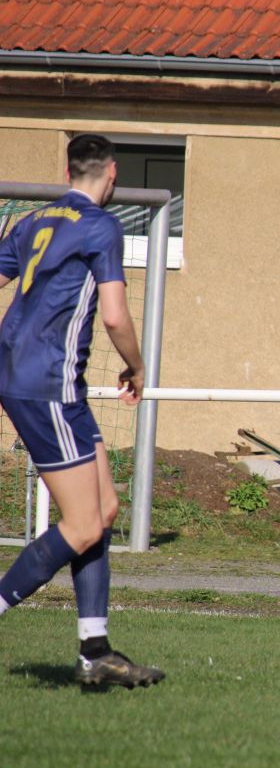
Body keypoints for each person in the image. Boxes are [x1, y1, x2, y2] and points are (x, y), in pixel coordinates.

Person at [0, 134, 164, 688]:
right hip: (45, 383)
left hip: (44, 381)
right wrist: (137, 367)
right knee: (82, 524)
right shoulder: (101, 225)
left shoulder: (32, 220)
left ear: (67, 169)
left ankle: (96, 652)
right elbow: (115, 316)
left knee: (105, 510)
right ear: (111, 172)